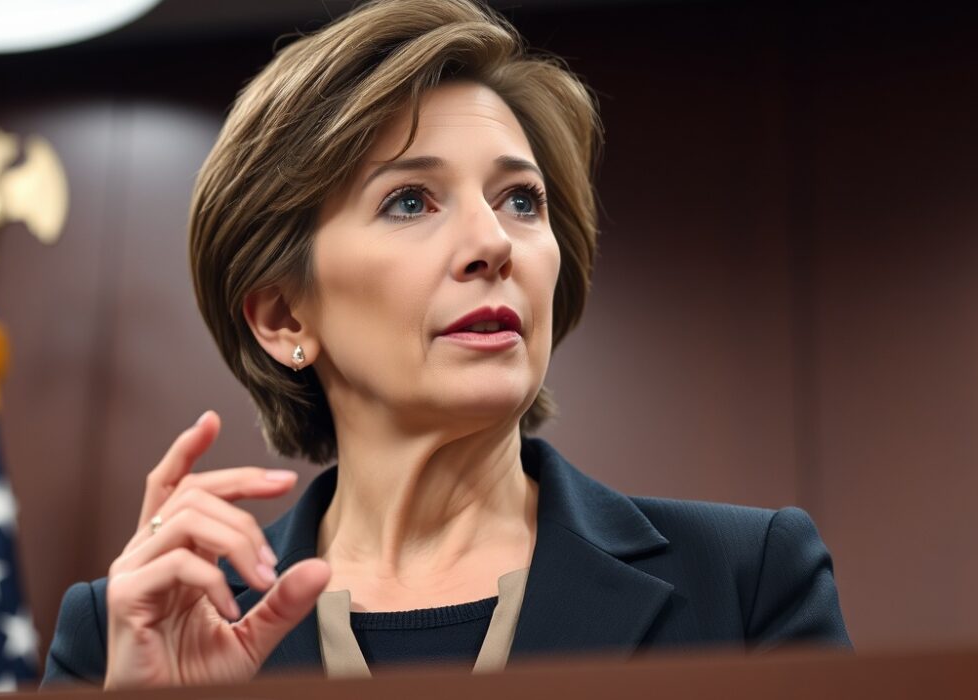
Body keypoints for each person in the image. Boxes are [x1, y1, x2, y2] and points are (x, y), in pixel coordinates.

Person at [41, 0, 851, 688]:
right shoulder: (122, 632)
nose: (492, 241)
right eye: (409, 201)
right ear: (284, 317)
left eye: (521, 199)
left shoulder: (746, 581)